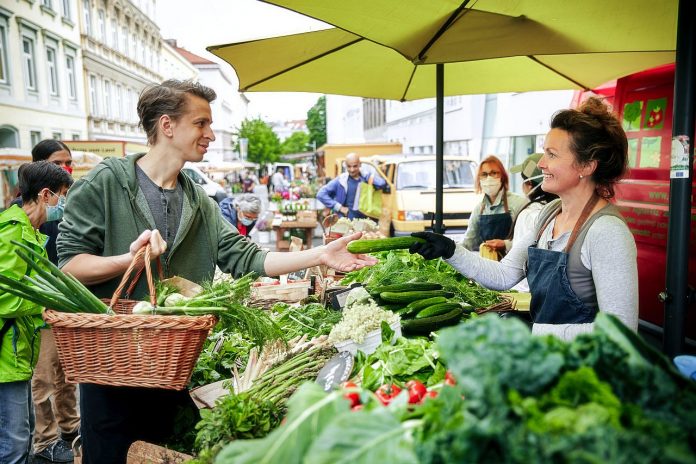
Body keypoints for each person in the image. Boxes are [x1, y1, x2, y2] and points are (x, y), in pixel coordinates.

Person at [56, 79, 376, 464]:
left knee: (165, 452)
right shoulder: (105, 184)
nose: (210, 134)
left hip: (174, 366)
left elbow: (246, 258)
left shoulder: (198, 199)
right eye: (201, 123)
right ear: (167, 126)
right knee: (109, 454)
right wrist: (129, 259)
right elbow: (70, 267)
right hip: (113, 366)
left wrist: (320, 255)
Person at [409, 97, 638, 341]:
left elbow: (621, 333)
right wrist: (450, 250)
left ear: (587, 166)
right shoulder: (548, 216)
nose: (541, 164)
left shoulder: (607, 232)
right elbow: (504, 275)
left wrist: (533, 331)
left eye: (551, 154)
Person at [0, 161, 72, 464]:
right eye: (61, 196)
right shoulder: (13, 233)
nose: (62, 204)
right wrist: (44, 303)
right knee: (15, 446)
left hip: (18, 355)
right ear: (45, 194)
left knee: (21, 438)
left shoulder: (29, 232)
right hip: (6, 357)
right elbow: (4, 296)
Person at [28, 141, 80, 463]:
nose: (66, 168)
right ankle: (45, 441)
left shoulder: (66, 206)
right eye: (59, 163)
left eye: (69, 162)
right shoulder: (28, 215)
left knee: (67, 374)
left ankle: (70, 428)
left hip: (66, 305)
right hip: (41, 309)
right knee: (44, 376)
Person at [484, 153, 558, 291]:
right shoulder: (558, 209)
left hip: (526, 293)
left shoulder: (530, 213)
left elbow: (521, 260)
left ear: (529, 184)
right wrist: (506, 244)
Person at [460, 155, 527, 256]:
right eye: (484, 174)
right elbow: (468, 242)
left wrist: (506, 244)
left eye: (494, 173)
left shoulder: (519, 203)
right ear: (479, 179)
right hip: (487, 265)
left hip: (514, 264)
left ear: (503, 176)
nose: (489, 178)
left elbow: (528, 241)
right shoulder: (479, 209)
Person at [316, 152, 387, 219]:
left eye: (355, 166)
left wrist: (367, 175)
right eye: (349, 166)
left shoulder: (366, 178)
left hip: (366, 220)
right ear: (345, 166)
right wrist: (339, 207)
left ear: (360, 164)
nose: (352, 169)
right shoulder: (341, 180)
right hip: (346, 222)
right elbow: (320, 194)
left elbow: (382, 184)